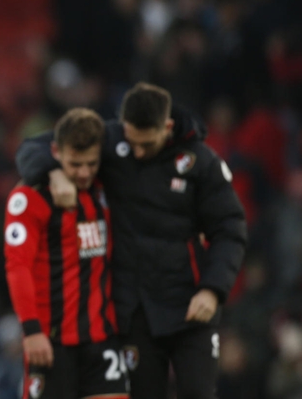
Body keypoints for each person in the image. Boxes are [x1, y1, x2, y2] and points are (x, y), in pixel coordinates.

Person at [16, 83, 247, 398]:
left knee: (198, 393)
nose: (137, 151)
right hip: (135, 312)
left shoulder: (200, 161)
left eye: (147, 144)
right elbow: (34, 147)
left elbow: (229, 227)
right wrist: (53, 173)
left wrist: (213, 289)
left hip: (191, 305)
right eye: (131, 141)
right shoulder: (112, 140)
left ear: (166, 127)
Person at [4, 107, 128, 399]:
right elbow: (17, 266)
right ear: (56, 152)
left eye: (91, 163)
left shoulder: (105, 187)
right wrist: (32, 331)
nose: (84, 173)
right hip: (51, 341)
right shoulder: (29, 197)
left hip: (102, 340)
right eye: (75, 164)